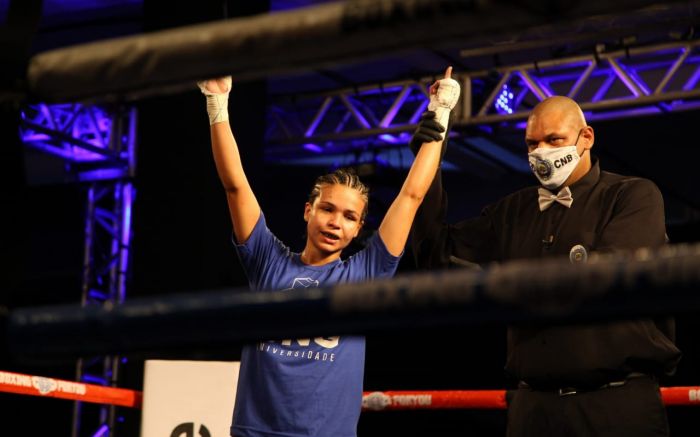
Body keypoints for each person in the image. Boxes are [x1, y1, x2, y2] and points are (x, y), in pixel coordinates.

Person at [197, 68, 459, 437]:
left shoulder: (367, 273)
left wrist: (441, 112)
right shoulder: (267, 260)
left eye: (349, 217)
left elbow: (412, 195)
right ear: (308, 211)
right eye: (327, 209)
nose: (336, 222)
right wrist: (217, 103)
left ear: (358, 229)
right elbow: (235, 185)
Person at [410, 95, 681, 436]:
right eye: (532, 143)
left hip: (616, 405)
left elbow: (606, 281)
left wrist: (501, 290)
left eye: (554, 140)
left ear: (586, 137)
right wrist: (428, 162)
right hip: (533, 409)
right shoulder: (512, 212)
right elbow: (436, 255)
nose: (541, 151)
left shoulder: (632, 196)